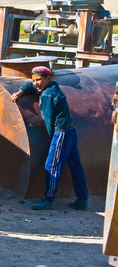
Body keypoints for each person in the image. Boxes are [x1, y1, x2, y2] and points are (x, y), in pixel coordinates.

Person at [11, 66, 89, 210]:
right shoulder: (52, 86)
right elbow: (30, 86)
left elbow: (48, 118)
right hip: (71, 131)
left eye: (39, 80)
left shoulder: (47, 95)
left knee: (52, 165)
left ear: (48, 78)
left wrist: (50, 137)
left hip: (60, 133)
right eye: (34, 80)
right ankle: (83, 199)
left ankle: (49, 199)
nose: (36, 83)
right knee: (75, 166)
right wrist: (20, 91)